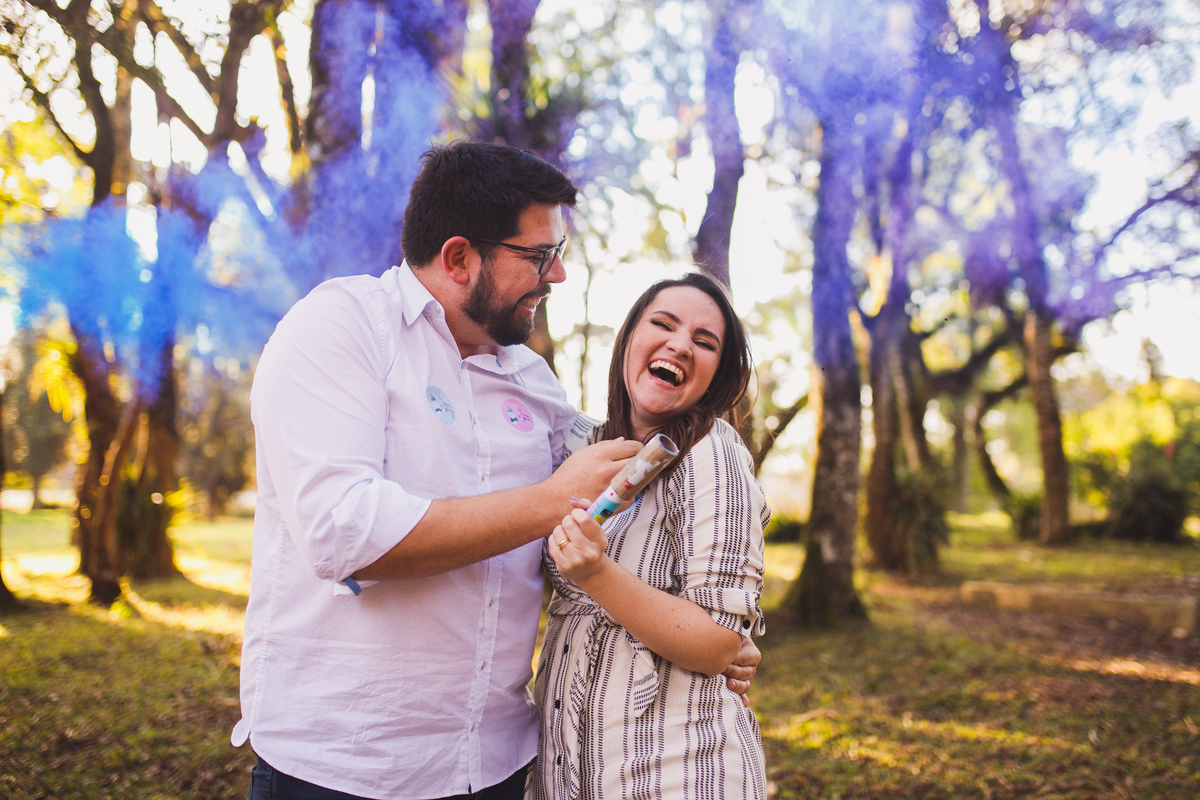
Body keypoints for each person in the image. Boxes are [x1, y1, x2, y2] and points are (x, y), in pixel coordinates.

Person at [235, 141, 759, 800]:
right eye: (541, 256)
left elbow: (631, 470)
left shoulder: (531, 381)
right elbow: (345, 533)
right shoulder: (341, 329)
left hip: (499, 770)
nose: (558, 275)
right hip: (345, 770)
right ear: (459, 258)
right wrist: (547, 502)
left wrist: (721, 638)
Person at [528, 273, 769, 800]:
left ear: (716, 374)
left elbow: (718, 642)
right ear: (629, 340)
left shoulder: (712, 452)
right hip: (570, 770)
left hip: (674, 772)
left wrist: (598, 574)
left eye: (705, 342)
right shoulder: (580, 448)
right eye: (663, 324)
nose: (680, 344)